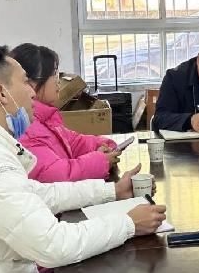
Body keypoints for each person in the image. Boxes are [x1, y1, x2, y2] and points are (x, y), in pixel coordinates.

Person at [0, 41, 167, 273]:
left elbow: (40, 193)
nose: (31, 92)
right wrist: (129, 223)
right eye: (25, 82)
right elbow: (53, 245)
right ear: (2, 93)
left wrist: (111, 191)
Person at [10, 43, 121, 183]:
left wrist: (104, 144)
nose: (58, 81)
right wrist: (101, 161)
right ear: (31, 83)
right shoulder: (27, 127)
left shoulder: (45, 119)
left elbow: (73, 142)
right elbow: (55, 175)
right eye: (54, 74)